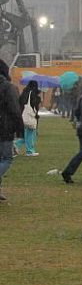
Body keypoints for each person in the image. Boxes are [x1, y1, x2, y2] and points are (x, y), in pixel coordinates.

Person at [0, 60, 22, 204]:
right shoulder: (8, 87)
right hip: (4, 128)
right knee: (6, 159)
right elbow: (15, 109)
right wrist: (20, 128)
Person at [17, 80, 41, 156]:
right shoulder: (33, 93)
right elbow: (34, 105)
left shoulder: (24, 92)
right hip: (30, 116)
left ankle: (15, 145)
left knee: (27, 134)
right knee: (30, 134)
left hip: (23, 115)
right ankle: (29, 151)